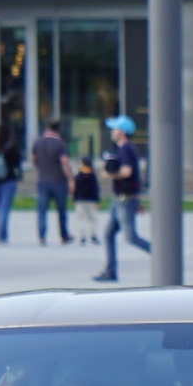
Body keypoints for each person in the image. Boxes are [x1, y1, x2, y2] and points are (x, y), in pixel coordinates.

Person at [94, 115, 149, 282]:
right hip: (119, 199)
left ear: (123, 132)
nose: (112, 132)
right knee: (108, 234)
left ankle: (163, 255)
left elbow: (127, 172)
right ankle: (110, 271)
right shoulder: (124, 149)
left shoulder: (125, 149)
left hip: (125, 200)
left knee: (131, 237)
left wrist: (110, 174)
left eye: (115, 129)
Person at [31, 120, 74, 244]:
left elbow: (33, 158)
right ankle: (63, 235)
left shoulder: (38, 142)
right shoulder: (61, 145)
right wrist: (71, 178)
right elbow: (64, 162)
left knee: (42, 209)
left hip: (43, 179)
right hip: (59, 181)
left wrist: (39, 167)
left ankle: (41, 236)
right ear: (58, 130)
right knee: (61, 210)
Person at [0, 123, 23, 243]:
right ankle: (2, 234)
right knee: (4, 209)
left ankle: (1, 233)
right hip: (8, 181)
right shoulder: (10, 148)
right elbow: (17, 163)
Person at [71, 148, 103, 245]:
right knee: (92, 219)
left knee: (80, 219)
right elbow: (96, 189)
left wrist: (74, 199)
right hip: (91, 201)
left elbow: (75, 189)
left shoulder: (78, 176)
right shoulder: (92, 176)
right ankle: (93, 235)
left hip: (80, 200)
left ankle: (82, 236)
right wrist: (97, 200)